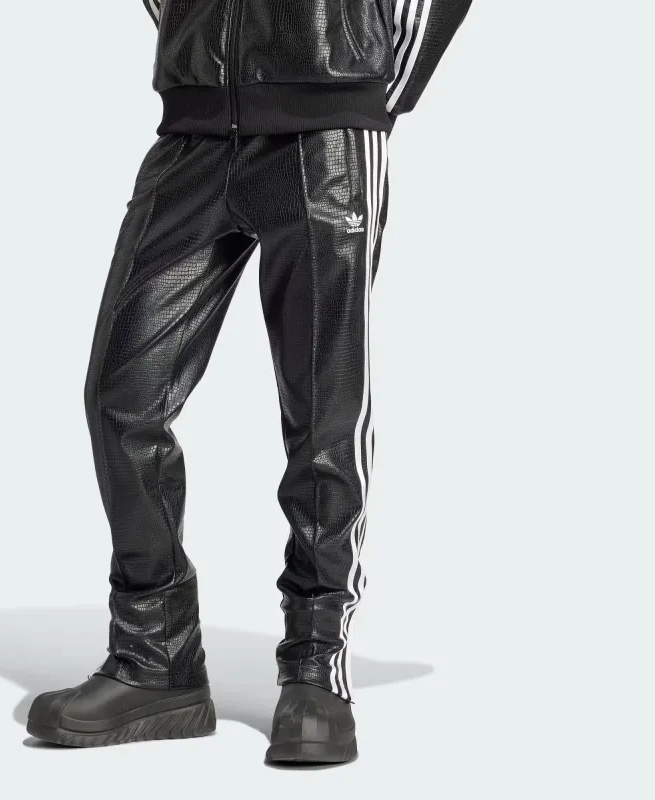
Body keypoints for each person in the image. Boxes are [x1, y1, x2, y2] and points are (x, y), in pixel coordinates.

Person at [27, 0, 471, 764]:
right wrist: (201, 48)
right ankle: (155, 658)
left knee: (324, 412)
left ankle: (315, 668)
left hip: (327, 128)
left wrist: (366, 86)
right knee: (122, 396)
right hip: (194, 131)